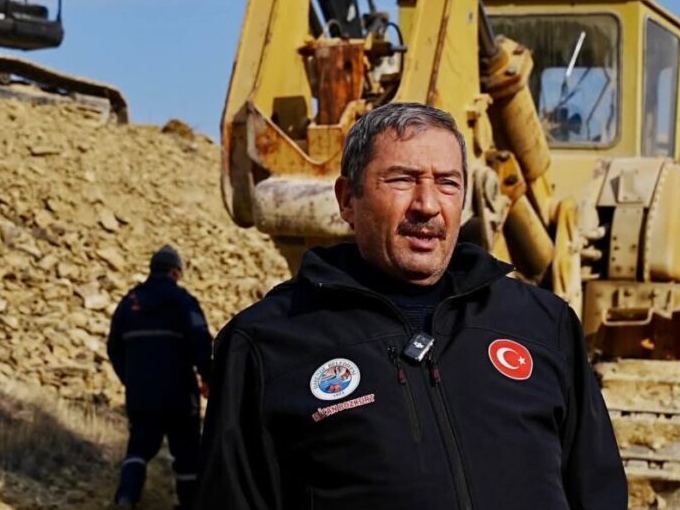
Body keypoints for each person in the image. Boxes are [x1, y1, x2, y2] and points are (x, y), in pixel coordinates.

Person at [196, 102, 627, 509]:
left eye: (447, 182)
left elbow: (598, 492)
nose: (427, 204)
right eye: (401, 179)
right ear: (348, 199)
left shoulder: (543, 325)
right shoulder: (265, 344)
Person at [107, 244, 213, 510]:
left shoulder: (129, 303)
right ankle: (191, 504)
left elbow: (113, 348)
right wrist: (208, 378)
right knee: (187, 455)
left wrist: (130, 379)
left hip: (142, 395)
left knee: (138, 451)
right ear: (176, 272)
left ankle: (126, 499)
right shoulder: (183, 301)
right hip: (179, 394)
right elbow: (201, 342)